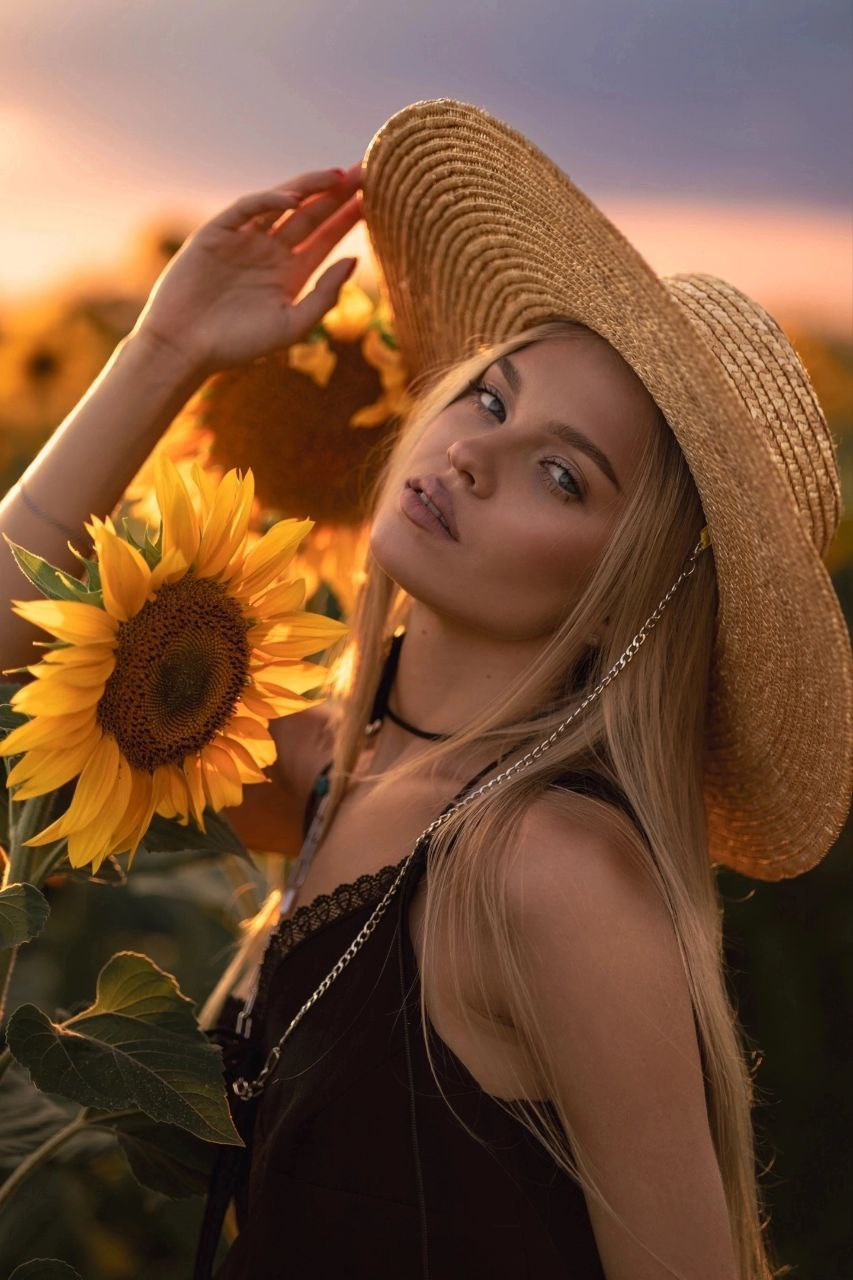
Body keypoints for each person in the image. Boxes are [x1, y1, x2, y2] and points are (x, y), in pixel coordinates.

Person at [1, 98, 849, 1280]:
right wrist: (167, 346)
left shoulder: (550, 875)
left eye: (560, 473)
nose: (472, 451)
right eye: (489, 396)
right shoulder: (333, 769)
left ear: (622, 592)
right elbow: (17, 627)